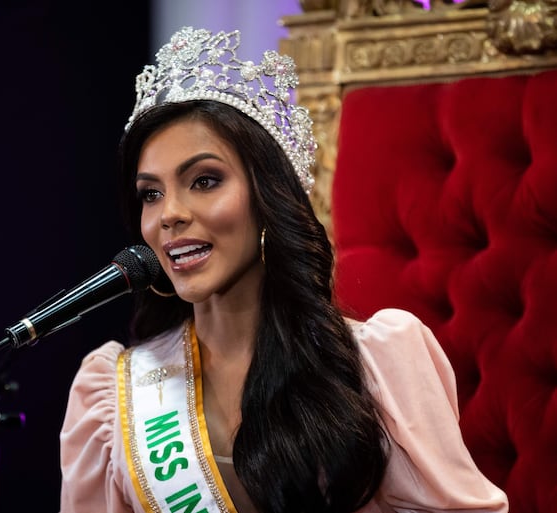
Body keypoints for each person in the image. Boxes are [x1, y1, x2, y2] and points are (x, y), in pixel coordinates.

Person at [58, 26, 508, 513]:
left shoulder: (377, 366)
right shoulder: (113, 393)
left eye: (204, 180)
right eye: (151, 193)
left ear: (268, 198)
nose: (169, 213)